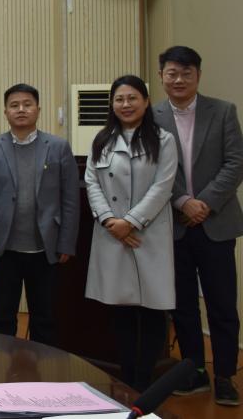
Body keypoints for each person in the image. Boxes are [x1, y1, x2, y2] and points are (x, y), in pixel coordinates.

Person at [152, 45, 242, 406]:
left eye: (186, 73)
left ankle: (224, 376)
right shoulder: (152, 116)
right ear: (161, 76)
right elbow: (152, 167)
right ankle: (194, 372)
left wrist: (203, 202)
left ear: (198, 76)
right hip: (172, 225)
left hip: (215, 222)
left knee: (222, 304)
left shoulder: (223, 111)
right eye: (172, 73)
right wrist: (181, 201)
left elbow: (235, 163)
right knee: (183, 305)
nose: (179, 79)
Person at [84, 75, 177, 392]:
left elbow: (163, 186)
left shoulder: (163, 139)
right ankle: (126, 381)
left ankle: (145, 382)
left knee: (152, 311)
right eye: (119, 99)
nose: (126, 104)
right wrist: (111, 221)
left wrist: (131, 222)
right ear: (112, 104)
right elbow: (92, 183)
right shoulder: (102, 140)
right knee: (121, 311)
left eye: (132, 98)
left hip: (148, 235)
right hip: (112, 235)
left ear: (146, 101)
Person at [0, 83, 78, 346]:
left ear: (38, 109)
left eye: (27, 104)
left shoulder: (58, 146)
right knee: (3, 317)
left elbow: (70, 199)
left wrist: (66, 242)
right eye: (14, 105)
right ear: (6, 112)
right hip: (4, 249)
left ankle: (45, 368)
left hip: (46, 248)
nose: (21, 109)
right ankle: (1, 366)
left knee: (45, 317)